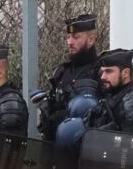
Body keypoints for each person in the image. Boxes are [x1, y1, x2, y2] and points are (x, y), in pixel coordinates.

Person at [37, 14, 101, 145]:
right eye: (68, 37)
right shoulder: (61, 72)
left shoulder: (100, 72)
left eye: (76, 37)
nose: (70, 42)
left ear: (91, 39)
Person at [86, 48, 133, 136]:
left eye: (108, 71)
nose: (103, 77)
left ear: (125, 73)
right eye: (103, 71)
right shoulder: (115, 93)